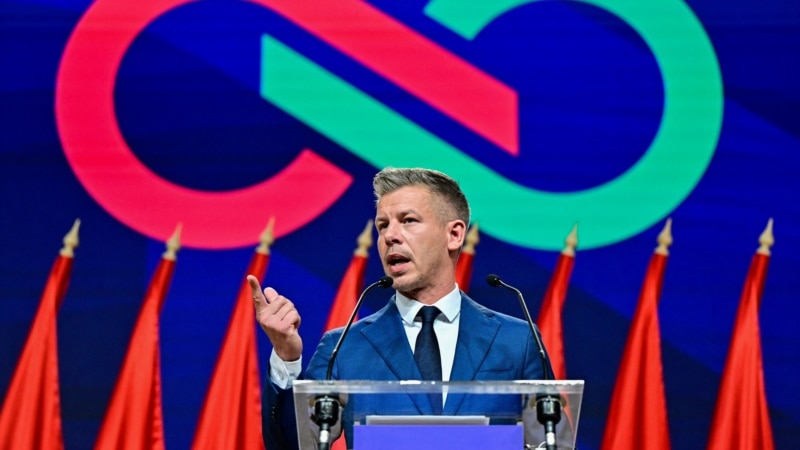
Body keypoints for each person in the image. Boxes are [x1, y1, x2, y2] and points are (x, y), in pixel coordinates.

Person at [248, 167, 551, 449]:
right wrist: (287, 356)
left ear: (454, 234)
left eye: (408, 220)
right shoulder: (344, 347)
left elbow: (550, 440)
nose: (389, 236)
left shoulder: (517, 341)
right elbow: (294, 445)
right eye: (383, 225)